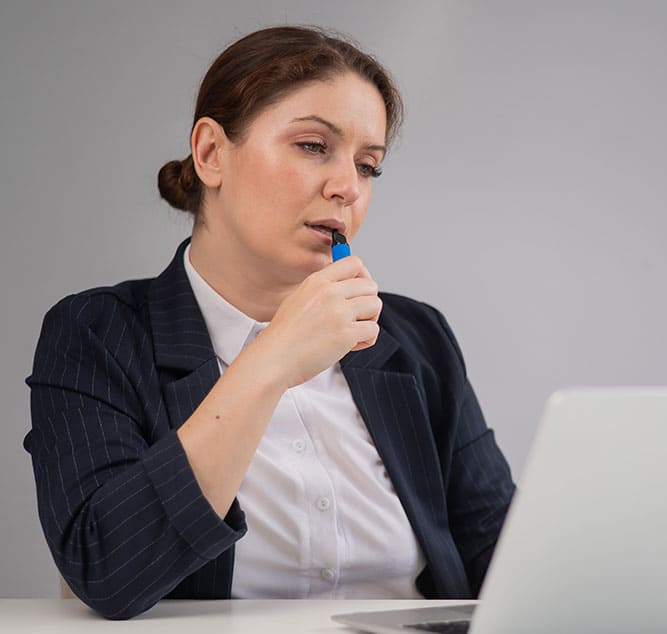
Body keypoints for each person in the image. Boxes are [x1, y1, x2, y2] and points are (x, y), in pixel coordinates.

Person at [24, 25, 515, 620]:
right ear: (210, 154)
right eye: (313, 146)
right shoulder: (97, 332)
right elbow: (106, 567)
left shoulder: (416, 338)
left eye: (368, 166)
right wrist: (274, 359)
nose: (346, 188)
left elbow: (505, 560)